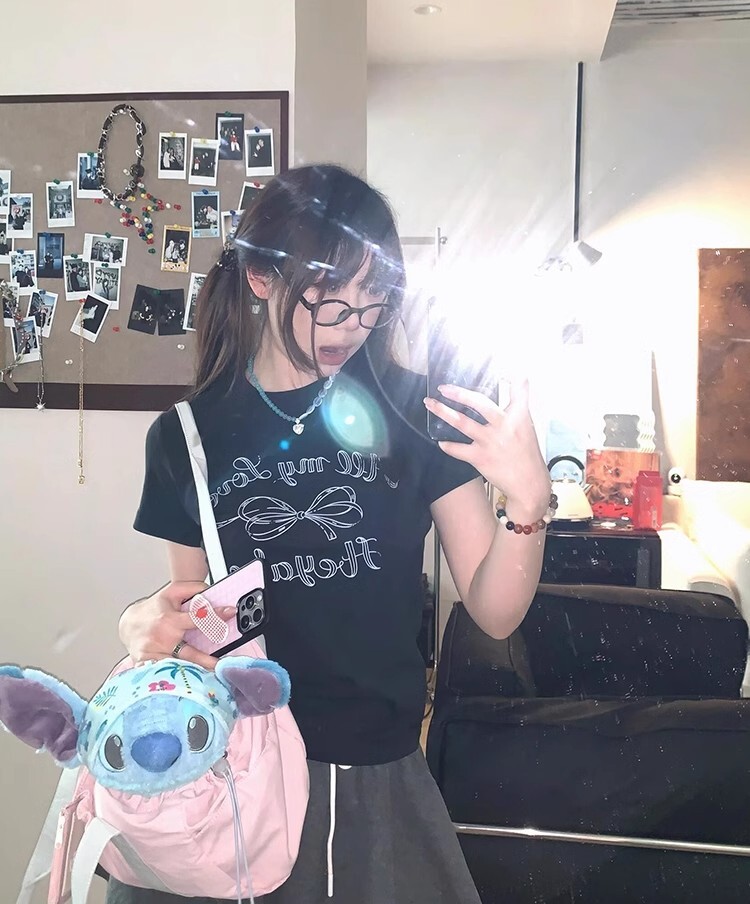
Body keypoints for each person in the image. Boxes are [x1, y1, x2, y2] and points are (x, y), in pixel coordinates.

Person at [113, 164, 551, 904]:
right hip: (237, 769)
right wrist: (143, 624)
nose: (354, 325)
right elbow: (199, 618)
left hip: (371, 773)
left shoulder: (417, 411)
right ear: (261, 278)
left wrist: (529, 501)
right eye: (331, 299)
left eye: (374, 301)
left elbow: (495, 611)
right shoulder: (184, 436)